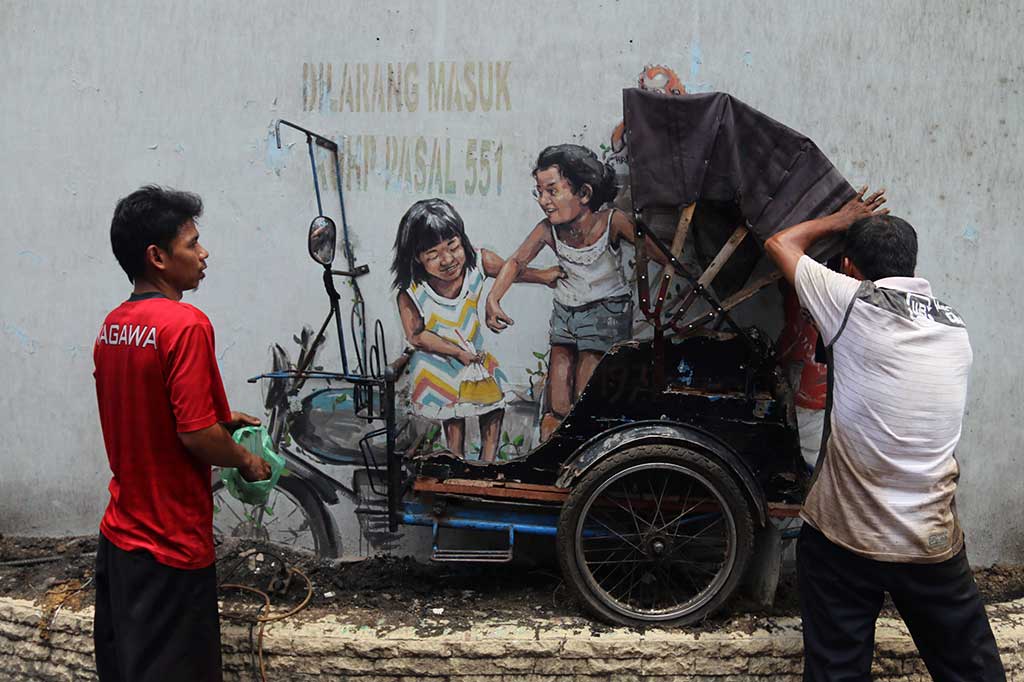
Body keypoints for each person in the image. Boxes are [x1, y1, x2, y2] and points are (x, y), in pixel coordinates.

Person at [765, 187, 1006, 681]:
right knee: (972, 668)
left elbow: (780, 243)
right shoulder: (955, 328)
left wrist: (839, 219)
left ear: (850, 266)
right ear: (913, 266)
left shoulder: (850, 303)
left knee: (836, 666)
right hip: (929, 539)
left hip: (845, 540)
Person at [93, 185, 272, 681]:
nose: (203, 253)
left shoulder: (113, 327)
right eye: (192, 243)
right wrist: (244, 459)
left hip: (120, 542)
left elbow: (146, 409)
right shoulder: (186, 325)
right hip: (171, 546)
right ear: (158, 257)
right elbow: (195, 437)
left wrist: (221, 418)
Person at [485, 144, 662, 441]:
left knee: (585, 397)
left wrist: (680, 268)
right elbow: (516, 261)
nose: (543, 200)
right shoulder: (547, 230)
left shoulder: (611, 221)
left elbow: (657, 251)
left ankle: (584, 456)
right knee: (558, 402)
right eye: (539, 192)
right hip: (566, 314)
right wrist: (493, 298)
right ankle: (554, 453)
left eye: (552, 191)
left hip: (606, 313)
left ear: (584, 194)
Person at [391, 198, 562, 461]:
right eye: (433, 254)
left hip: (472, 357)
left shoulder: (477, 263)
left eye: (453, 246)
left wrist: (542, 276)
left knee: (493, 406)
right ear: (417, 257)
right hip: (439, 363)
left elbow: (510, 269)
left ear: (462, 240)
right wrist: (456, 352)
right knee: (453, 415)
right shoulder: (412, 292)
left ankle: (488, 461)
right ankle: (456, 461)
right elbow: (416, 335)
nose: (447, 259)